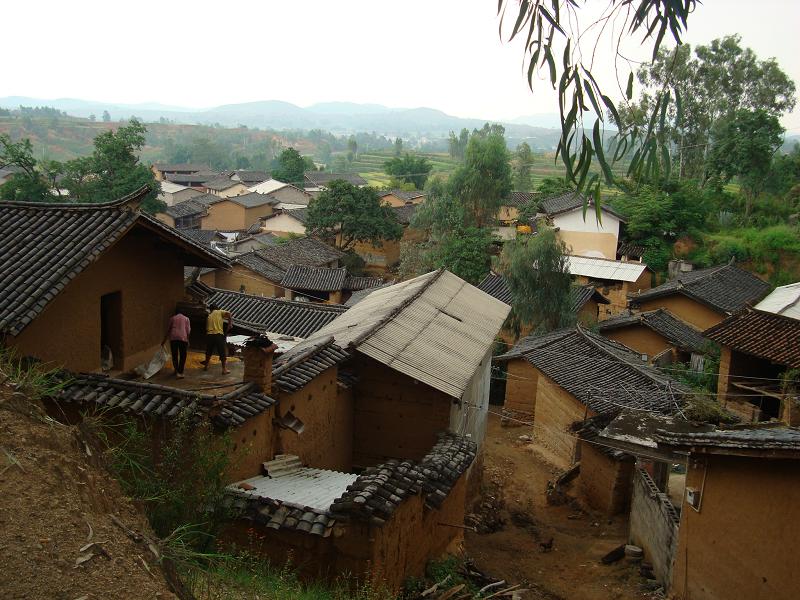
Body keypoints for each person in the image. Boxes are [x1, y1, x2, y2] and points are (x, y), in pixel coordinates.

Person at [202, 304, 233, 374]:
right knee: (222, 352)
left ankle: (206, 366)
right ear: (217, 308)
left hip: (209, 335)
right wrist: (230, 324)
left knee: (208, 351)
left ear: (210, 309)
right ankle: (224, 369)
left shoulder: (209, 316)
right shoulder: (219, 312)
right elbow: (229, 314)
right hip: (218, 334)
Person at [163, 309, 191, 378]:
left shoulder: (172, 318)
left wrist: (164, 340)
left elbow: (168, 330)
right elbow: (188, 331)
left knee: (174, 355)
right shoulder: (186, 319)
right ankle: (180, 372)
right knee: (183, 355)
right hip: (183, 338)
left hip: (173, 338)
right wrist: (188, 340)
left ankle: (176, 370)